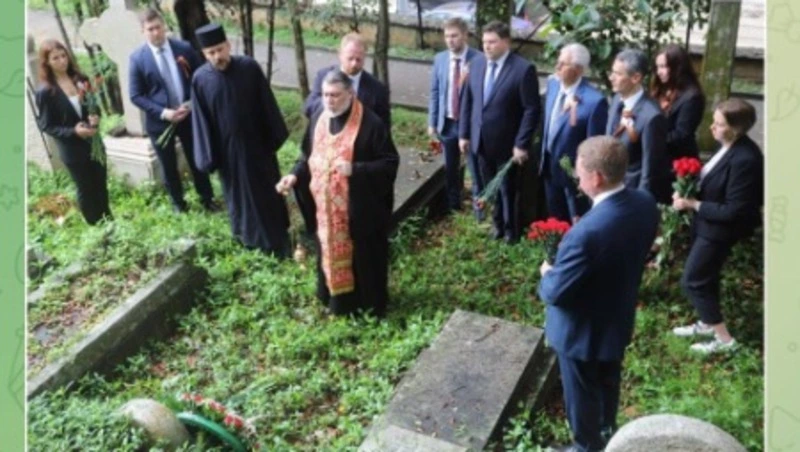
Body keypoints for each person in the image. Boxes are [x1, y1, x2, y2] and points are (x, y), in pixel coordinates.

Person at [538, 136, 659, 452]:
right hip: (616, 316)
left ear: (596, 177)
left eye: (580, 173)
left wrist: (546, 273)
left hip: (581, 330)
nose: (577, 179)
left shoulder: (586, 233)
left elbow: (556, 292)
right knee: (608, 382)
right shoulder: (645, 203)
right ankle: (608, 435)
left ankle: (585, 446)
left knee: (580, 394)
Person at [276, 71, 399, 317]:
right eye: (324, 95)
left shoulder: (370, 124)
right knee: (328, 251)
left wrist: (356, 169)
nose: (329, 101)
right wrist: (294, 175)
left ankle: (367, 307)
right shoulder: (319, 119)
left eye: (335, 95)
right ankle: (335, 302)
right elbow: (306, 156)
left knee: (363, 259)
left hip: (359, 213)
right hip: (326, 212)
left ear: (350, 94)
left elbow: (389, 163)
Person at [671, 99, 763, 354]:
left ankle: (725, 340)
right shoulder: (726, 146)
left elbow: (736, 209)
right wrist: (685, 190)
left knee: (694, 280)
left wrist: (693, 203)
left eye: (719, 124)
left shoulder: (746, 159)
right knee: (707, 277)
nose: (712, 127)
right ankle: (705, 323)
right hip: (707, 224)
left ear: (736, 128)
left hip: (721, 229)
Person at [191, 23, 291, 257]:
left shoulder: (249, 68)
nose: (217, 56)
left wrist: (272, 139)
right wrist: (210, 157)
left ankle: (279, 240)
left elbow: (267, 104)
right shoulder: (200, 80)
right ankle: (249, 242)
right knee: (240, 200)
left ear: (228, 45)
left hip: (259, 148)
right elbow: (201, 122)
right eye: (211, 53)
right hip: (229, 156)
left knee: (268, 194)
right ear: (204, 55)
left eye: (220, 49)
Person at [458, 20, 540, 242]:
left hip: (508, 145)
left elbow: (531, 110)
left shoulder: (523, 70)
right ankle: (497, 225)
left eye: (492, 42)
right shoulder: (476, 65)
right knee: (490, 188)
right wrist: (464, 134)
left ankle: (511, 231)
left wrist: (521, 143)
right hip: (480, 141)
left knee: (508, 190)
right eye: (484, 42)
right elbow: (468, 101)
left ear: (506, 42)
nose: (487, 46)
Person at [129, 8, 217, 213]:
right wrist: (163, 112)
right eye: (150, 29)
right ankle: (178, 203)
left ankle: (207, 198)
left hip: (188, 116)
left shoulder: (183, 48)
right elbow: (136, 95)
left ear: (164, 26)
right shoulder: (138, 59)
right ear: (143, 31)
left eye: (158, 27)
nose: (156, 33)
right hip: (160, 122)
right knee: (169, 166)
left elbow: (200, 78)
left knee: (197, 159)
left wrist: (191, 104)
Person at [35, 39, 112, 225]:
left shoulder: (81, 80)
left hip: (93, 143)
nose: (62, 61)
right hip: (73, 149)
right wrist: (73, 131)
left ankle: (109, 221)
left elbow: (94, 107)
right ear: (47, 63)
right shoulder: (46, 92)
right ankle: (95, 225)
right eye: (55, 58)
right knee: (86, 188)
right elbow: (46, 125)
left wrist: (95, 117)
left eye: (63, 56)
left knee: (101, 184)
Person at [539, 43, 607, 223]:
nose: (557, 67)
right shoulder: (554, 84)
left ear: (578, 69)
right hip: (548, 166)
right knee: (554, 220)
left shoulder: (594, 101)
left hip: (575, 177)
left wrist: (583, 174)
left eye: (563, 64)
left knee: (576, 222)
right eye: (558, 62)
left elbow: (593, 145)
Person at [427, 18, 480, 215]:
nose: (450, 40)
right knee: (450, 168)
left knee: (475, 168)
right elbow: (435, 91)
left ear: (465, 36)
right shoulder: (440, 59)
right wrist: (432, 121)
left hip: (470, 125)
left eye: (455, 36)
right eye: (447, 36)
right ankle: (453, 205)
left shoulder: (478, 59)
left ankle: (478, 208)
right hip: (447, 123)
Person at [607, 49, 671, 204]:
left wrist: (639, 205)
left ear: (636, 77)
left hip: (630, 193)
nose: (611, 77)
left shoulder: (652, 116)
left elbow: (650, 170)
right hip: (609, 186)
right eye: (612, 72)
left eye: (618, 74)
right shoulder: (617, 99)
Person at [303, 33, 391, 128]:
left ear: (365, 57)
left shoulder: (377, 89)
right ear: (340, 55)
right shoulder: (323, 76)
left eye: (358, 60)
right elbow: (308, 108)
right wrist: (331, 103)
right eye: (350, 58)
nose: (354, 64)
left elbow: (383, 127)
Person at [650, 44, 705, 160]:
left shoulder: (692, 97)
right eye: (657, 67)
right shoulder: (660, 89)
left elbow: (682, 134)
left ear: (678, 67)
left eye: (663, 67)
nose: (659, 72)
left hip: (677, 161)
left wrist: (650, 139)